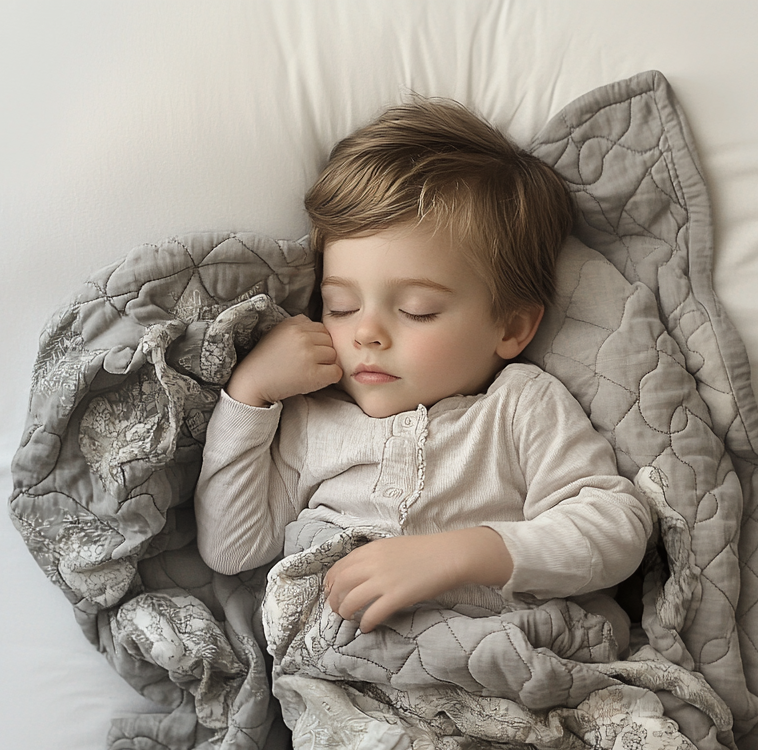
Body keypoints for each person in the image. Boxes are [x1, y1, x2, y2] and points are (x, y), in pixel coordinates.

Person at [195, 99, 651, 645]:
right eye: (339, 306)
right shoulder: (310, 422)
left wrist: (463, 553)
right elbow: (230, 548)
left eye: (417, 311)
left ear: (510, 328)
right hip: (353, 688)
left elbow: (616, 528)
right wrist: (249, 393)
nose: (366, 333)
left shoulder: (518, 407)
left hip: (507, 662)